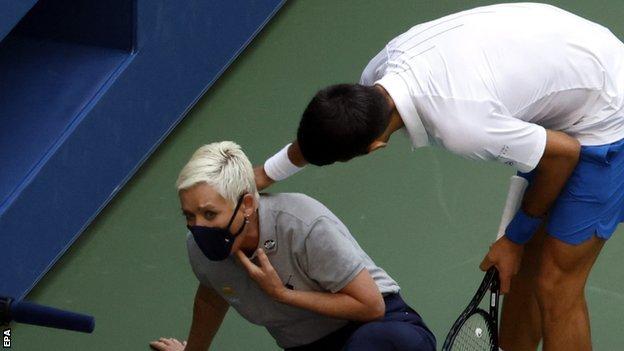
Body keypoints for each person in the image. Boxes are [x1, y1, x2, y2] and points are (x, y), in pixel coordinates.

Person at [253, 3, 624, 350]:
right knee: (524, 271)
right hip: (567, 59)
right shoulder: (376, 76)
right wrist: (263, 175)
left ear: (374, 147)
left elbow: (564, 155)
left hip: (607, 112)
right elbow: (322, 135)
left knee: (556, 284)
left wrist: (515, 237)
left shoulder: (462, 125)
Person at [150, 141, 435, 351]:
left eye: (209, 214)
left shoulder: (303, 224)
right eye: (189, 216)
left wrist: (282, 294)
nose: (199, 227)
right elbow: (212, 296)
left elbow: (371, 306)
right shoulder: (201, 251)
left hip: (380, 331)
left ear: (246, 204)